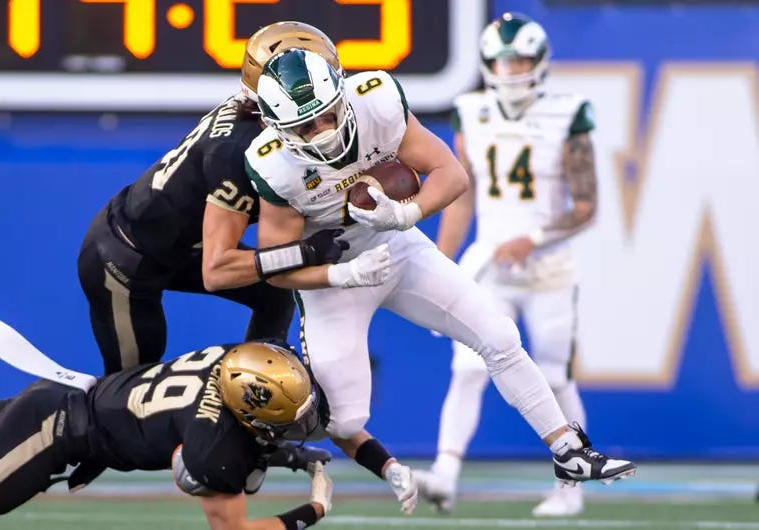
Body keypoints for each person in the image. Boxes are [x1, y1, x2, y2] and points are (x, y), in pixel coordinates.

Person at [244, 48, 636, 514]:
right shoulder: (273, 164)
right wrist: (340, 273)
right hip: (333, 279)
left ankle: (567, 450)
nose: (323, 132)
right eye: (306, 127)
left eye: (327, 114)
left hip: (396, 244)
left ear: (342, 93)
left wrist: (406, 213)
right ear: (276, 128)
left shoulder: (377, 100)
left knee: (498, 335)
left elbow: (451, 173)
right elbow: (277, 265)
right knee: (347, 418)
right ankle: (267, 447)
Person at [0, 340, 335, 530]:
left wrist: (284, 453)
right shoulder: (213, 449)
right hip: (54, 432)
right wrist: (311, 511)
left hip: (68, 406)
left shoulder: (234, 361)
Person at [77, 21, 347, 375]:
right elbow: (216, 271)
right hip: (126, 257)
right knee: (127, 391)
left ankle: (257, 388)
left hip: (182, 245)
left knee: (276, 291)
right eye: (301, 102)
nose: (322, 120)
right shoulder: (239, 151)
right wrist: (305, 252)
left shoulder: (264, 120)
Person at [415, 12, 602, 517]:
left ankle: (572, 488)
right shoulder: (470, 110)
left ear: (540, 62)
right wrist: (443, 261)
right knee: (468, 368)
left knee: (556, 377)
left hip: (550, 270)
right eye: (503, 60)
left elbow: (587, 205)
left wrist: (533, 237)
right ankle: (445, 476)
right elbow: (462, 196)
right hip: (490, 267)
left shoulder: (569, 111)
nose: (512, 69)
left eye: (520, 59)